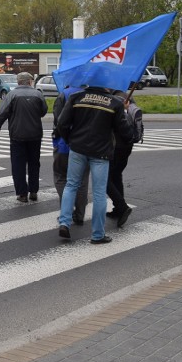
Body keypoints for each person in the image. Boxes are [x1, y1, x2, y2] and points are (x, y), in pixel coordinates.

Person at [56, 86, 133, 244]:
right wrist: (124, 111)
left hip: (77, 148)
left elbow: (62, 124)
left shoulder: (76, 98)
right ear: (107, 84)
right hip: (101, 152)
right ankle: (97, 234)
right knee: (99, 193)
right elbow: (125, 132)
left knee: (71, 185)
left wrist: (71, 140)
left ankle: (64, 222)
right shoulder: (114, 103)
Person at [0, 72, 48, 202]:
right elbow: (43, 111)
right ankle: (33, 191)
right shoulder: (38, 94)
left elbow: (3, 112)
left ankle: (22, 193)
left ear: (18, 82)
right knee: (34, 163)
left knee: (18, 165)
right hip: (35, 135)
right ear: (29, 82)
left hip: (17, 135)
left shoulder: (12, 95)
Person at [52, 86, 90, 224]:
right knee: (82, 180)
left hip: (64, 145)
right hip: (85, 145)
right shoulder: (92, 94)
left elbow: (58, 120)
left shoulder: (65, 94)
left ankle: (66, 212)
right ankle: (80, 214)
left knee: (61, 177)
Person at [106, 91, 144, 227]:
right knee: (116, 176)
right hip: (127, 147)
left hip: (117, 146)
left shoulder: (116, 99)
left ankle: (121, 206)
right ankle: (118, 209)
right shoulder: (125, 96)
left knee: (105, 179)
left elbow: (118, 125)